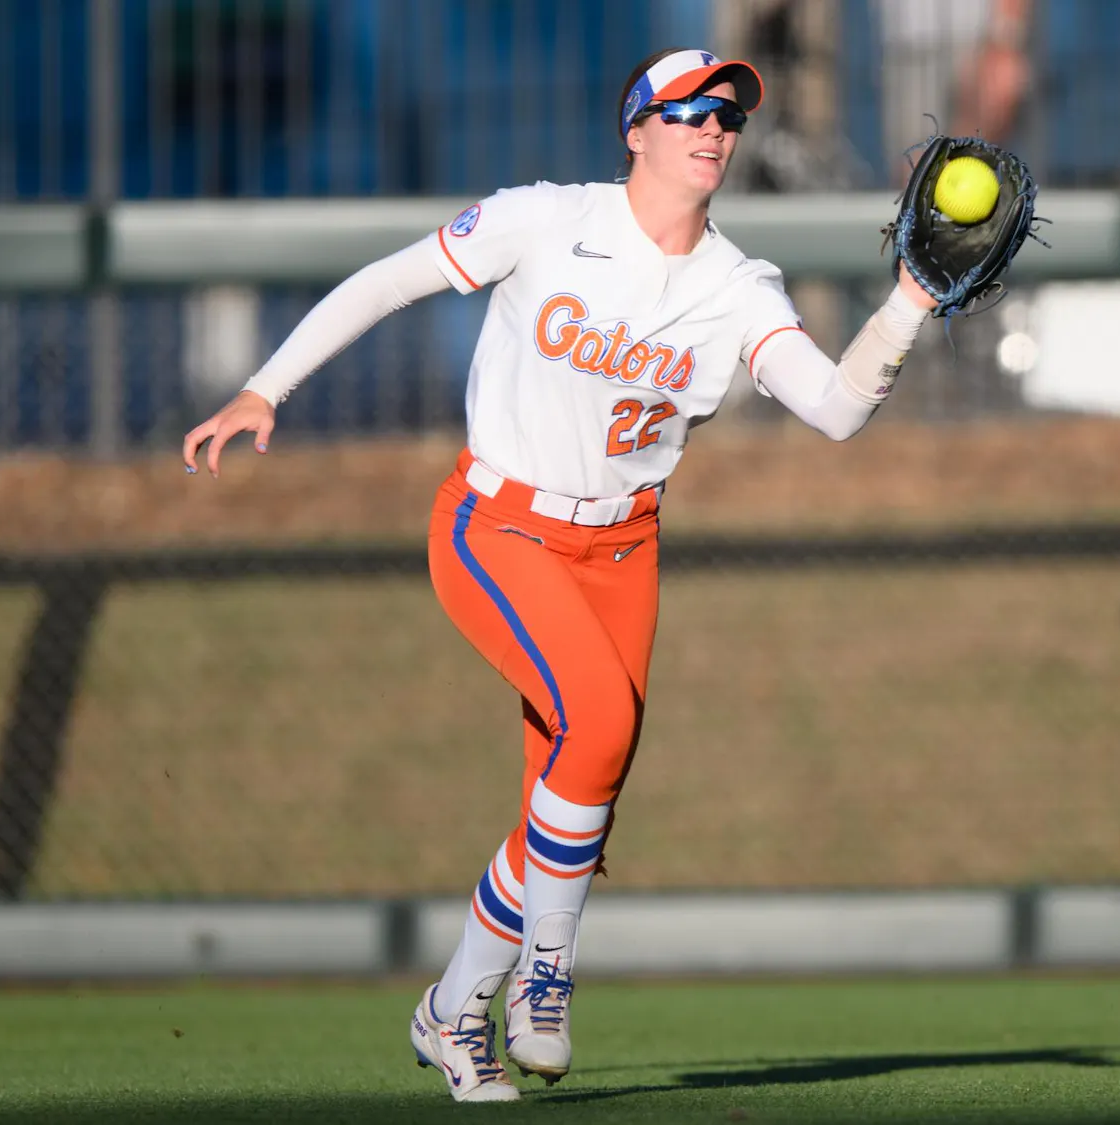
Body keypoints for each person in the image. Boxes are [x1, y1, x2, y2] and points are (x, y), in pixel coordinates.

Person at [181, 47, 937, 1103]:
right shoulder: (545, 218)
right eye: (688, 111)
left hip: (623, 546)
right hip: (497, 526)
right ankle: (546, 979)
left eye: (729, 114)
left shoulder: (737, 286)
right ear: (636, 130)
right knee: (600, 729)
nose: (714, 128)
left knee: (575, 799)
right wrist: (267, 388)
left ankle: (451, 1015)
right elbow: (391, 280)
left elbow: (839, 409)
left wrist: (907, 301)